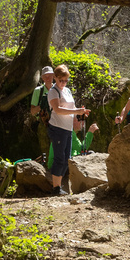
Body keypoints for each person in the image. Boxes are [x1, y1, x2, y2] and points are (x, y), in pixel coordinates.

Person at [43, 64, 93, 195]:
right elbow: (58, 109)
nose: (63, 83)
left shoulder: (68, 91)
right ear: (55, 78)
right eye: (61, 80)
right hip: (57, 128)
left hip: (67, 128)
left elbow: (72, 109)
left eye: (66, 80)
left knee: (67, 159)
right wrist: (76, 110)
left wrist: (80, 114)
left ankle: (58, 187)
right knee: (59, 158)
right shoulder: (53, 91)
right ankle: (56, 188)